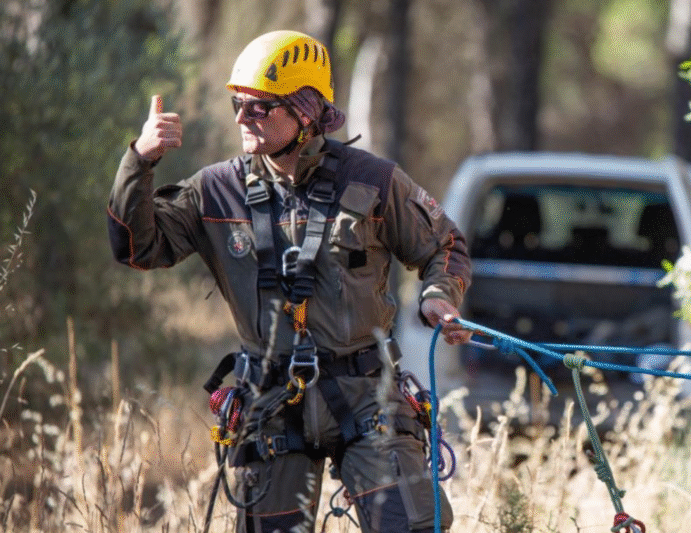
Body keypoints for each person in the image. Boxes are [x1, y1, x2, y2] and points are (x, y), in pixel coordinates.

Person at [107, 30, 470, 533]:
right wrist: (140, 161)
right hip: (270, 401)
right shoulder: (215, 190)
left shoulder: (374, 180)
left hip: (365, 391)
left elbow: (446, 246)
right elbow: (135, 248)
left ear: (305, 111)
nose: (241, 119)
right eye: (238, 104)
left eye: (260, 108)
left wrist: (438, 298)